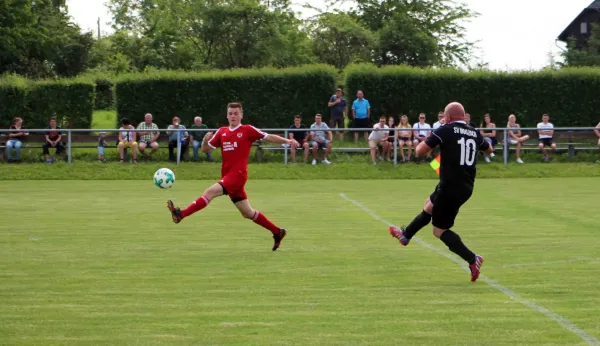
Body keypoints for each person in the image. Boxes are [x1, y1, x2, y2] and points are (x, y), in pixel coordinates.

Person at [166, 102, 298, 251]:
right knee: (247, 213)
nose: (233, 116)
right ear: (227, 115)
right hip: (228, 175)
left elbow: (269, 137)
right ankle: (277, 232)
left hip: (238, 175)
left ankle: (181, 214)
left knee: (209, 192)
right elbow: (205, 149)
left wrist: (288, 141)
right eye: (230, 113)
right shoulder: (222, 131)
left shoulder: (247, 130)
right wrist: (204, 139)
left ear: (241, 115)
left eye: (236, 113)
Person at [389, 102, 493, 282]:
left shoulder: (445, 130)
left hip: (450, 187)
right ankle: (406, 235)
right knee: (429, 205)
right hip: (466, 185)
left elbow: (419, 151)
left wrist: (435, 140)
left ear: (448, 117)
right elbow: (489, 149)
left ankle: (473, 259)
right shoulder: (474, 132)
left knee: (439, 231)